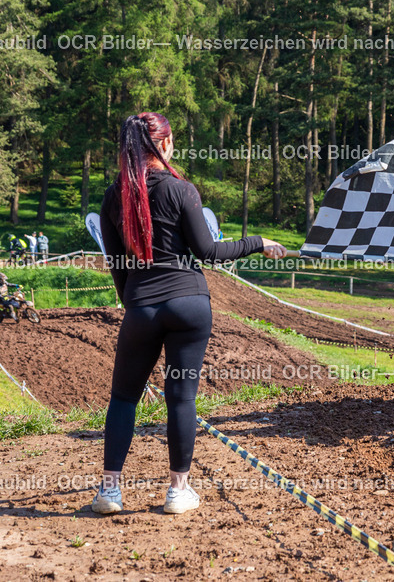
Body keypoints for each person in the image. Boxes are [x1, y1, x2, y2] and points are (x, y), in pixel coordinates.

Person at [92, 112, 286, 516]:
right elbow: (209, 252)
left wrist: (136, 309)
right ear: (162, 145)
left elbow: (117, 266)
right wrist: (258, 242)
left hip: (141, 306)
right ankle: (178, 492)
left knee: (123, 398)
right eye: (172, 140)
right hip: (189, 306)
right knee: (182, 399)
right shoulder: (183, 190)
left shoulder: (114, 196)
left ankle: (110, 492)